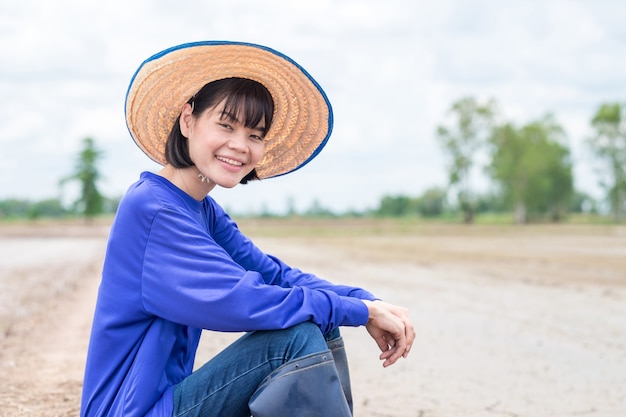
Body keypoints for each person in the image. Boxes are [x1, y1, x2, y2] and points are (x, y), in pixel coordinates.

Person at [80, 41, 415, 417]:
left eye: (254, 135)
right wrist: (361, 312)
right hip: (132, 412)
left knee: (319, 323)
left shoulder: (202, 210)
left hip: (168, 404)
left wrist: (366, 301)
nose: (240, 145)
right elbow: (244, 300)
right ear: (187, 120)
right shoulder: (154, 209)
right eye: (225, 125)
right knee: (295, 337)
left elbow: (276, 277)